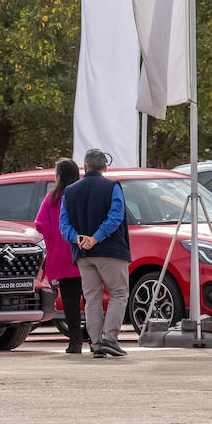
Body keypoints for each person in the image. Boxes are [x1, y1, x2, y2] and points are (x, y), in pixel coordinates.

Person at [60, 148, 130, 358]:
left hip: (83, 254)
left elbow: (63, 224)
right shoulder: (112, 187)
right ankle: (110, 338)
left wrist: (79, 238)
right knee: (118, 293)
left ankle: (97, 343)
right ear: (105, 167)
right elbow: (116, 216)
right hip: (110, 250)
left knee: (92, 298)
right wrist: (96, 237)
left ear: (85, 167)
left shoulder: (70, 191)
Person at [34, 158, 85, 354]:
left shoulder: (53, 198)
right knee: (91, 297)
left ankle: (75, 341)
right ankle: (95, 336)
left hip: (63, 257)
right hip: (85, 252)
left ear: (60, 176)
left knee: (70, 301)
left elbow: (40, 225)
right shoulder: (82, 195)